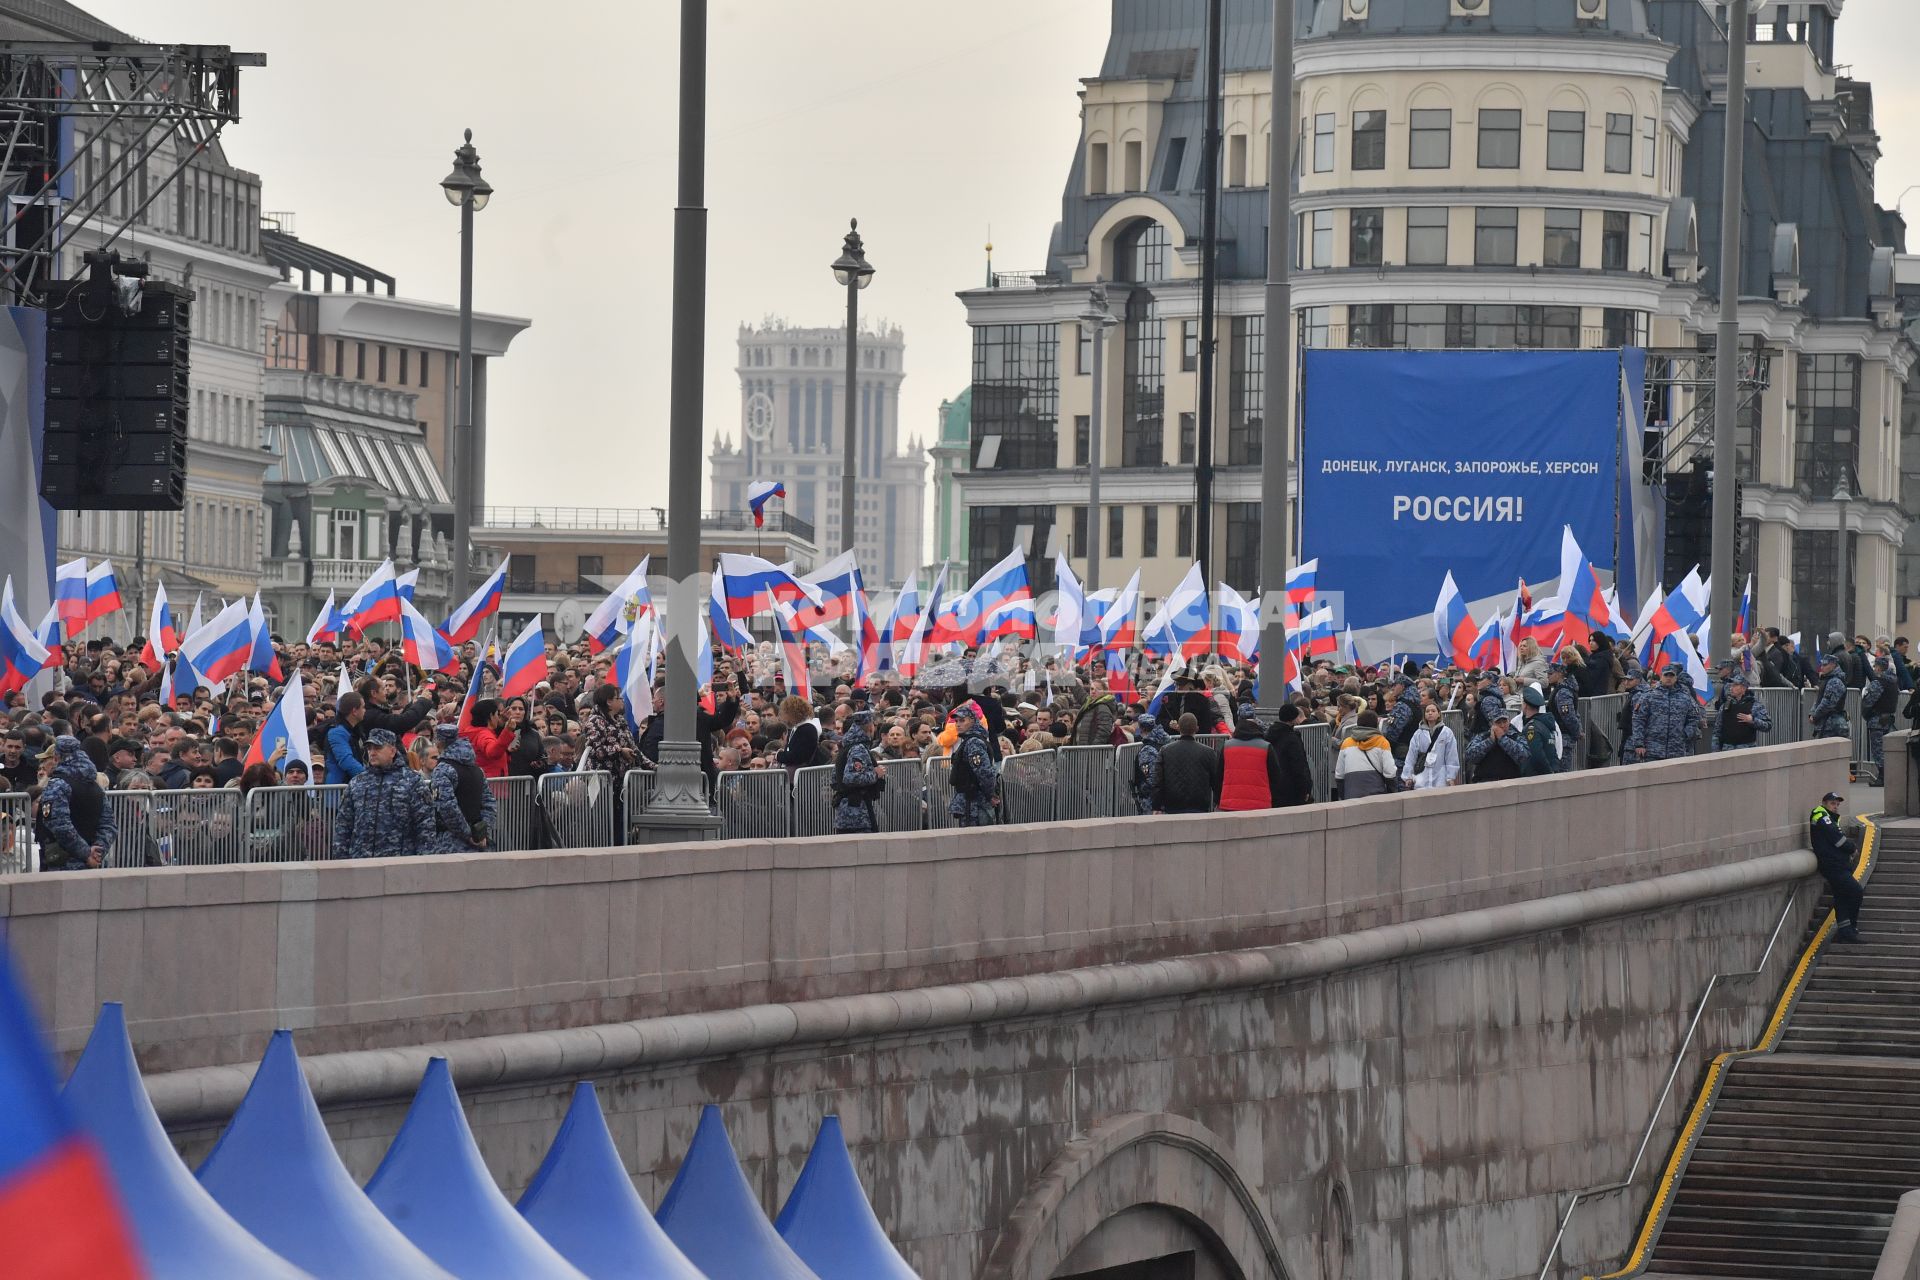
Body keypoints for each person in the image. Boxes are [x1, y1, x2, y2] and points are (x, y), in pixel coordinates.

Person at [332, 728, 434, 859]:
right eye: (369, 748)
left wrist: (424, 862)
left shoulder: (412, 782)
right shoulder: (357, 783)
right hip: (361, 864)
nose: (372, 752)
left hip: (399, 864)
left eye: (378, 748)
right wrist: (340, 860)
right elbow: (343, 825)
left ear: (392, 751)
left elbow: (425, 826)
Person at [34, 735, 113, 870]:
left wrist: (87, 854)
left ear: (57, 757)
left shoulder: (58, 784)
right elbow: (108, 824)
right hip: (94, 864)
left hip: (62, 863)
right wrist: (98, 852)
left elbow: (60, 826)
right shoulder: (95, 785)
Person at [427, 722, 495, 855]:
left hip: (450, 843)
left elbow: (447, 807)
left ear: (439, 743)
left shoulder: (443, 769)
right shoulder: (477, 770)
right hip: (479, 844)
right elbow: (490, 804)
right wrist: (480, 833)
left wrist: (468, 834)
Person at [1810, 790, 1862, 942]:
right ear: (1824, 803)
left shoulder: (1830, 818)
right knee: (1856, 891)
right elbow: (1836, 839)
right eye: (1833, 803)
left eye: (1837, 804)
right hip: (1833, 866)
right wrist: (1852, 848)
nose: (1836, 807)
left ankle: (1846, 932)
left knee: (1841, 897)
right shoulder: (1821, 815)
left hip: (1838, 864)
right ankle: (1851, 927)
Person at [1216, 704, 1284, 811]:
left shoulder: (1227, 746)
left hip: (1230, 805)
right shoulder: (1266, 747)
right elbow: (1276, 778)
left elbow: (1219, 777)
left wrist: (1218, 800)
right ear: (1255, 720)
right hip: (1260, 805)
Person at [830, 709, 886, 833]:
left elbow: (834, 780)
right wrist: (876, 774)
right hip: (857, 814)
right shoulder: (858, 749)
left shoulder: (846, 747)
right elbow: (851, 777)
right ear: (870, 727)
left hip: (845, 813)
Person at [1154, 712, 1221, 814]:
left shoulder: (1165, 751)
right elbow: (1216, 781)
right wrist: (1218, 802)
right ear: (1197, 728)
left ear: (1178, 728)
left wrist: (1156, 806)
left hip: (1173, 804)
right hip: (1199, 804)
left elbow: (1158, 781)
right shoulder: (1208, 752)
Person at [946, 701, 999, 827]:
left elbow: (984, 772)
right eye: (957, 721)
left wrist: (990, 795)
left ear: (972, 721)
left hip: (975, 801)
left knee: (975, 840)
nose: (958, 724)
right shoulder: (969, 740)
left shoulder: (973, 742)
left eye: (962, 720)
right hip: (969, 800)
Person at [1633, 666, 1701, 762]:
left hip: (1676, 750)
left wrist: (1686, 734)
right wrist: (1639, 744)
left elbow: (1694, 718)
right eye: (1666, 675)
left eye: (1671, 676)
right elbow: (1638, 720)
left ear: (1676, 678)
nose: (1668, 678)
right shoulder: (1649, 696)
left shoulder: (1685, 697)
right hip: (1652, 750)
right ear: (1661, 677)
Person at [1333, 710, 1398, 800]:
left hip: (1352, 796)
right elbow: (1390, 772)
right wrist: (1393, 794)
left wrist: (1344, 796)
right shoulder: (1382, 742)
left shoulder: (1347, 743)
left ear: (1358, 723)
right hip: (1377, 796)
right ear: (1376, 724)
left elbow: (1339, 775)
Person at [1264, 704, 1316, 806]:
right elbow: (1299, 766)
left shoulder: (1269, 736)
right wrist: (1306, 788)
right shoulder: (1292, 739)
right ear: (1293, 718)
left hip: (1274, 788)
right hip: (1293, 789)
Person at [1401, 702, 1460, 789]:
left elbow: (1451, 756)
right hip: (1422, 777)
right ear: (1424, 715)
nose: (1430, 713)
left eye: (1433, 711)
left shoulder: (1447, 732)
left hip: (1440, 776)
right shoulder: (1418, 734)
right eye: (1427, 711)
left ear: (1439, 714)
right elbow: (1411, 756)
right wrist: (1408, 776)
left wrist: (1451, 776)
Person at [1711, 671, 1773, 751]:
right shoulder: (1725, 706)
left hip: (1746, 750)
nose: (1731, 688)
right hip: (1727, 750)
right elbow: (1717, 730)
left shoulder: (1755, 705)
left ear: (1743, 688)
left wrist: (1752, 720)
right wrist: (1715, 751)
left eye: (1735, 685)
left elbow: (1768, 725)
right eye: (1731, 685)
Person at [1861, 655, 1900, 781]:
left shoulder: (1879, 682)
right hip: (1888, 719)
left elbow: (1869, 701)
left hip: (1876, 719)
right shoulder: (1893, 682)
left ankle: (1882, 776)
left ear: (1878, 667)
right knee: (1885, 748)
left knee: (1877, 749)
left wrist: (1865, 713)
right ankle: (1886, 774)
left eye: (1875, 666)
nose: (1874, 669)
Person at [462, 698, 519, 779]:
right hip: (491, 785)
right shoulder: (483, 735)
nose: (498, 717)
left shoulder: (473, 731)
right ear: (491, 716)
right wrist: (508, 730)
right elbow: (493, 752)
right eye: (497, 714)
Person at [1463, 711, 1527, 783]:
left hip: (1510, 781)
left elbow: (1524, 756)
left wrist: (1503, 739)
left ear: (1509, 722)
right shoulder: (1482, 737)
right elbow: (1469, 756)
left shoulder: (1516, 736)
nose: (1502, 725)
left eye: (1504, 722)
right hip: (1486, 781)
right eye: (1498, 722)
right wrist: (1490, 741)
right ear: (1491, 724)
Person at [1129, 712, 1169, 815]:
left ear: (1141, 728)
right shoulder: (1165, 743)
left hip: (1152, 801)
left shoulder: (1148, 749)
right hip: (1165, 798)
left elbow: (1151, 779)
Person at [1545, 663, 1582, 771]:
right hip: (1559, 736)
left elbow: (1568, 716)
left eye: (1550, 673)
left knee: (1562, 773)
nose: (1548, 676)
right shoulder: (1559, 689)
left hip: (1563, 738)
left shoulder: (1563, 692)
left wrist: (1577, 732)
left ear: (1560, 674)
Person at [324, 692, 367, 781]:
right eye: (363, 707)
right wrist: (369, 778)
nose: (365, 710)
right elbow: (346, 761)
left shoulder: (355, 731)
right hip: (338, 790)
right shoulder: (337, 732)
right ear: (354, 711)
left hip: (352, 786)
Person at [1807, 652, 1850, 741]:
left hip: (1832, 725)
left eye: (1825, 665)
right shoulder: (1829, 679)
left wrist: (1815, 716)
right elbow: (1820, 699)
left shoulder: (1835, 681)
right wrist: (1812, 713)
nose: (1822, 667)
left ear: (1832, 665)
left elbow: (1827, 703)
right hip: (1827, 723)